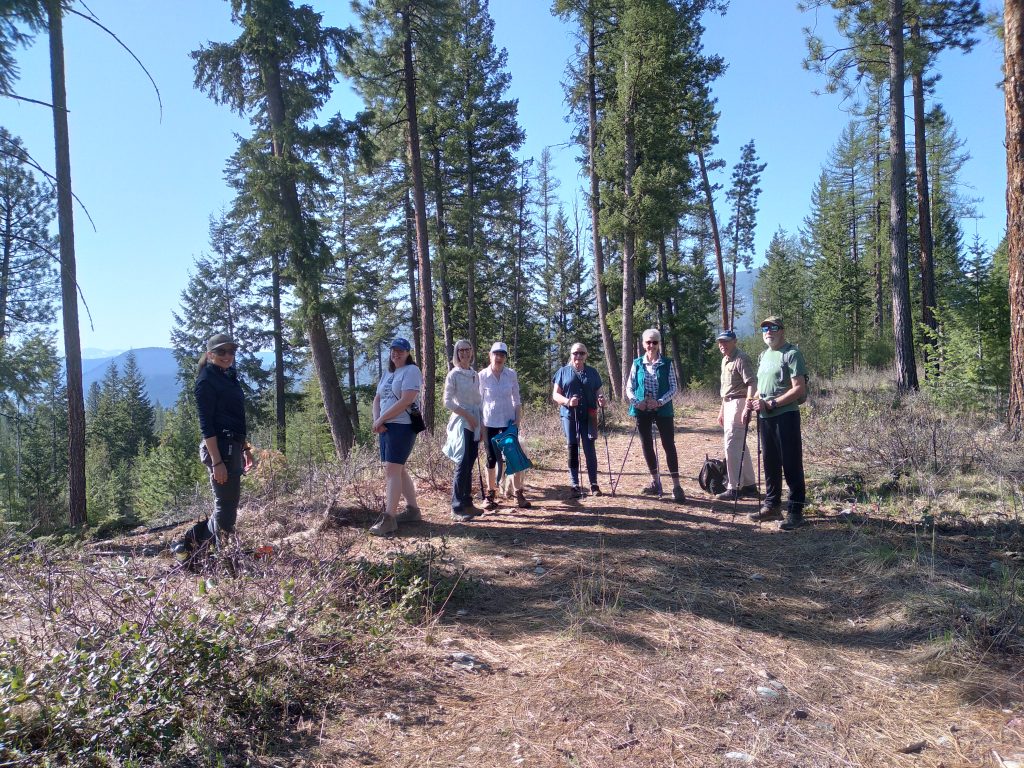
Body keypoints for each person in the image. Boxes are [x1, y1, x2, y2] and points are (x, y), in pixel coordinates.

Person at [172, 333, 254, 559]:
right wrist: (217, 461)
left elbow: (236, 417)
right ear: (210, 355)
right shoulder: (206, 380)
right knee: (226, 506)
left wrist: (245, 448)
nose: (228, 356)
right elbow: (206, 426)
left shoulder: (228, 376)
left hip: (233, 445)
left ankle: (193, 544)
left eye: (231, 351)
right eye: (221, 351)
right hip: (220, 449)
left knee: (229, 504)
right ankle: (222, 554)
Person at [749, 316, 808, 530]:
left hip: (786, 416)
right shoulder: (764, 355)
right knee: (770, 462)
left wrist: (772, 403)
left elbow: (799, 389)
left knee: (791, 463)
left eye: (773, 327)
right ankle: (772, 505)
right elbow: (762, 387)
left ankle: (795, 511)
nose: (768, 331)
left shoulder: (792, 354)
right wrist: (753, 400)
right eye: (764, 328)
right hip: (766, 417)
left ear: (782, 330)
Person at [370, 337, 424, 536]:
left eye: (401, 350)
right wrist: (378, 420)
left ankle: (389, 518)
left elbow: (406, 400)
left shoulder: (412, 371)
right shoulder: (388, 373)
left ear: (408, 353)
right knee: (398, 470)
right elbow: (377, 399)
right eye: (393, 350)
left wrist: (381, 419)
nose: (396, 353)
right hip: (386, 427)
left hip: (402, 426)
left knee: (392, 471)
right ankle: (413, 510)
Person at [626, 328, 686, 503]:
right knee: (646, 445)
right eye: (648, 342)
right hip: (641, 409)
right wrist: (637, 402)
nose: (651, 345)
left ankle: (676, 486)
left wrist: (659, 402)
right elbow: (629, 387)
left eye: (655, 342)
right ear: (643, 344)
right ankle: (655, 482)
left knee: (669, 444)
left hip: (663, 409)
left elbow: (674, 387)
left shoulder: (667, 363)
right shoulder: (637, 363)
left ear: (659, 343)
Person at [479, 341, 531, 510]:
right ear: (490, 355)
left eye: (502, 355)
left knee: (514, 458)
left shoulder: (511, 375)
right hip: (489, 423)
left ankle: (518, 494)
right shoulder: (482, 376)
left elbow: (516, 399)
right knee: (491, 459)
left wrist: (518, 419)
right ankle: (490, 494)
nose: (499, 357)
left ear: (505, 357)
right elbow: (478, 402)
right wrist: (480, 425)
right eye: (496, 354)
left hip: (508, 423)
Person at [552, 342, 607, 497]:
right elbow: (555, 395)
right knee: (572, 447)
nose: (578, 356)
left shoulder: (592, 372)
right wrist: (568, 401)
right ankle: (575, 484)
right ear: (571, 354)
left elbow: (599, 393)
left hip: (589, 415)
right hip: (569, 415)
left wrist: (601, 401)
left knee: (590, 449)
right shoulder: (562, 372)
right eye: (575, 353)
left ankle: (594, 484)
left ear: (586, 355)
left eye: (582, 353)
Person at [443, 339, 483, 522]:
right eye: (461, 350)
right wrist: (467, 415)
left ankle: (467, 502)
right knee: (462, 462)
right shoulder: (454, 375)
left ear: (471, 352)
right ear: (456, 353)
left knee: (470, 461)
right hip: (461, 422)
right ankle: (457, 507)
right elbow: (448, 401)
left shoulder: (475, 374)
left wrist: (480, 425)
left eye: (468, 349)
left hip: (475, 422)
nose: (465, 353)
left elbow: (479, 401)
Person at [715, 330, 758, 501]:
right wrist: (721, 410)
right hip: (728, 402)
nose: (722, 345)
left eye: (726, 342)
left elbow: (752, 383)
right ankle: (749, 484)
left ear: (734, 341)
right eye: (720, 342)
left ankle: (734, 487)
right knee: (740, 445)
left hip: (739, 402)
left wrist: (747, 405)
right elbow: (726, 390)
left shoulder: (741, 358)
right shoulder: (725, 360)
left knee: (731, 445)